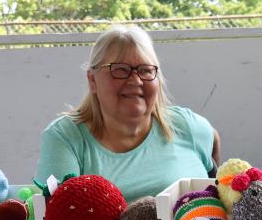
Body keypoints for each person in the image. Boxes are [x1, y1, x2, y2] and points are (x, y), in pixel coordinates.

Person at [35, 25, 220, 204]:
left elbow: (213, 142)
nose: (135, 80)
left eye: (146, 70)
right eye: (120, 70)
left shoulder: (188, 126)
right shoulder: (65, 139)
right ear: (92, 80)